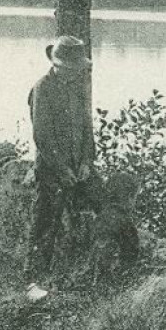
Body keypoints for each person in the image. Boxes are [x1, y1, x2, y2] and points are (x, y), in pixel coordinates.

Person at [24, 34, 101, 301]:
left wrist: (86, 162)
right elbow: (42, 136)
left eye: (76, 69)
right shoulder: (42, 89)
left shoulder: (77, 88)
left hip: (78, 168)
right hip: (51, 170)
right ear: (56, 64)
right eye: (68, 68)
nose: (72, 73)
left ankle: (82, 274)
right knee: (45, 223)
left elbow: (86, 128)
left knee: (92, 214)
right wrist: (62, 170)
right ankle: (33, 282)